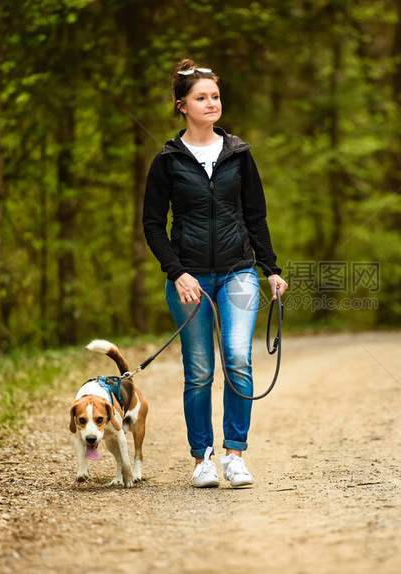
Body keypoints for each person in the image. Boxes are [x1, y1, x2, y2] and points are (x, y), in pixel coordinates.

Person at [143, 58, 287, 488]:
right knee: (200, 370)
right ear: (181, 105)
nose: (211, 104)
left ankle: (235, 455)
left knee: (239, 360)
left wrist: (271, 269)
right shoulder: (167, 161)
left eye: (215, 96)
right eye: (201, 97)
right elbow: (152, 224)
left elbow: (256, 216)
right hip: (190, 280)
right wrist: (177, 272)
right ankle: (202, 459)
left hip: (238, 273)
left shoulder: (239, 155)